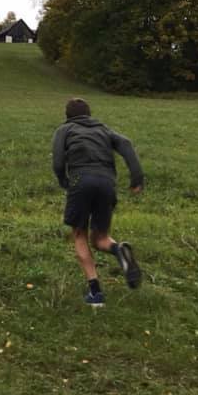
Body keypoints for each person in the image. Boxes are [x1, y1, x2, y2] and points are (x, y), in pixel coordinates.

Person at [51, 98, 144, 306]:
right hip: (107, 182)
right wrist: (137, 178)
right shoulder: (103, 130)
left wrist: (64, 180)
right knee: (100, 238)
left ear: (67, 115)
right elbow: (126, 144)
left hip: (80, 180)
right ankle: (118, 250)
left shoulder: (64, 129)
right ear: (89, 114)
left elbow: (57, 161)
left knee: (79, 234)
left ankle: (96, 293)